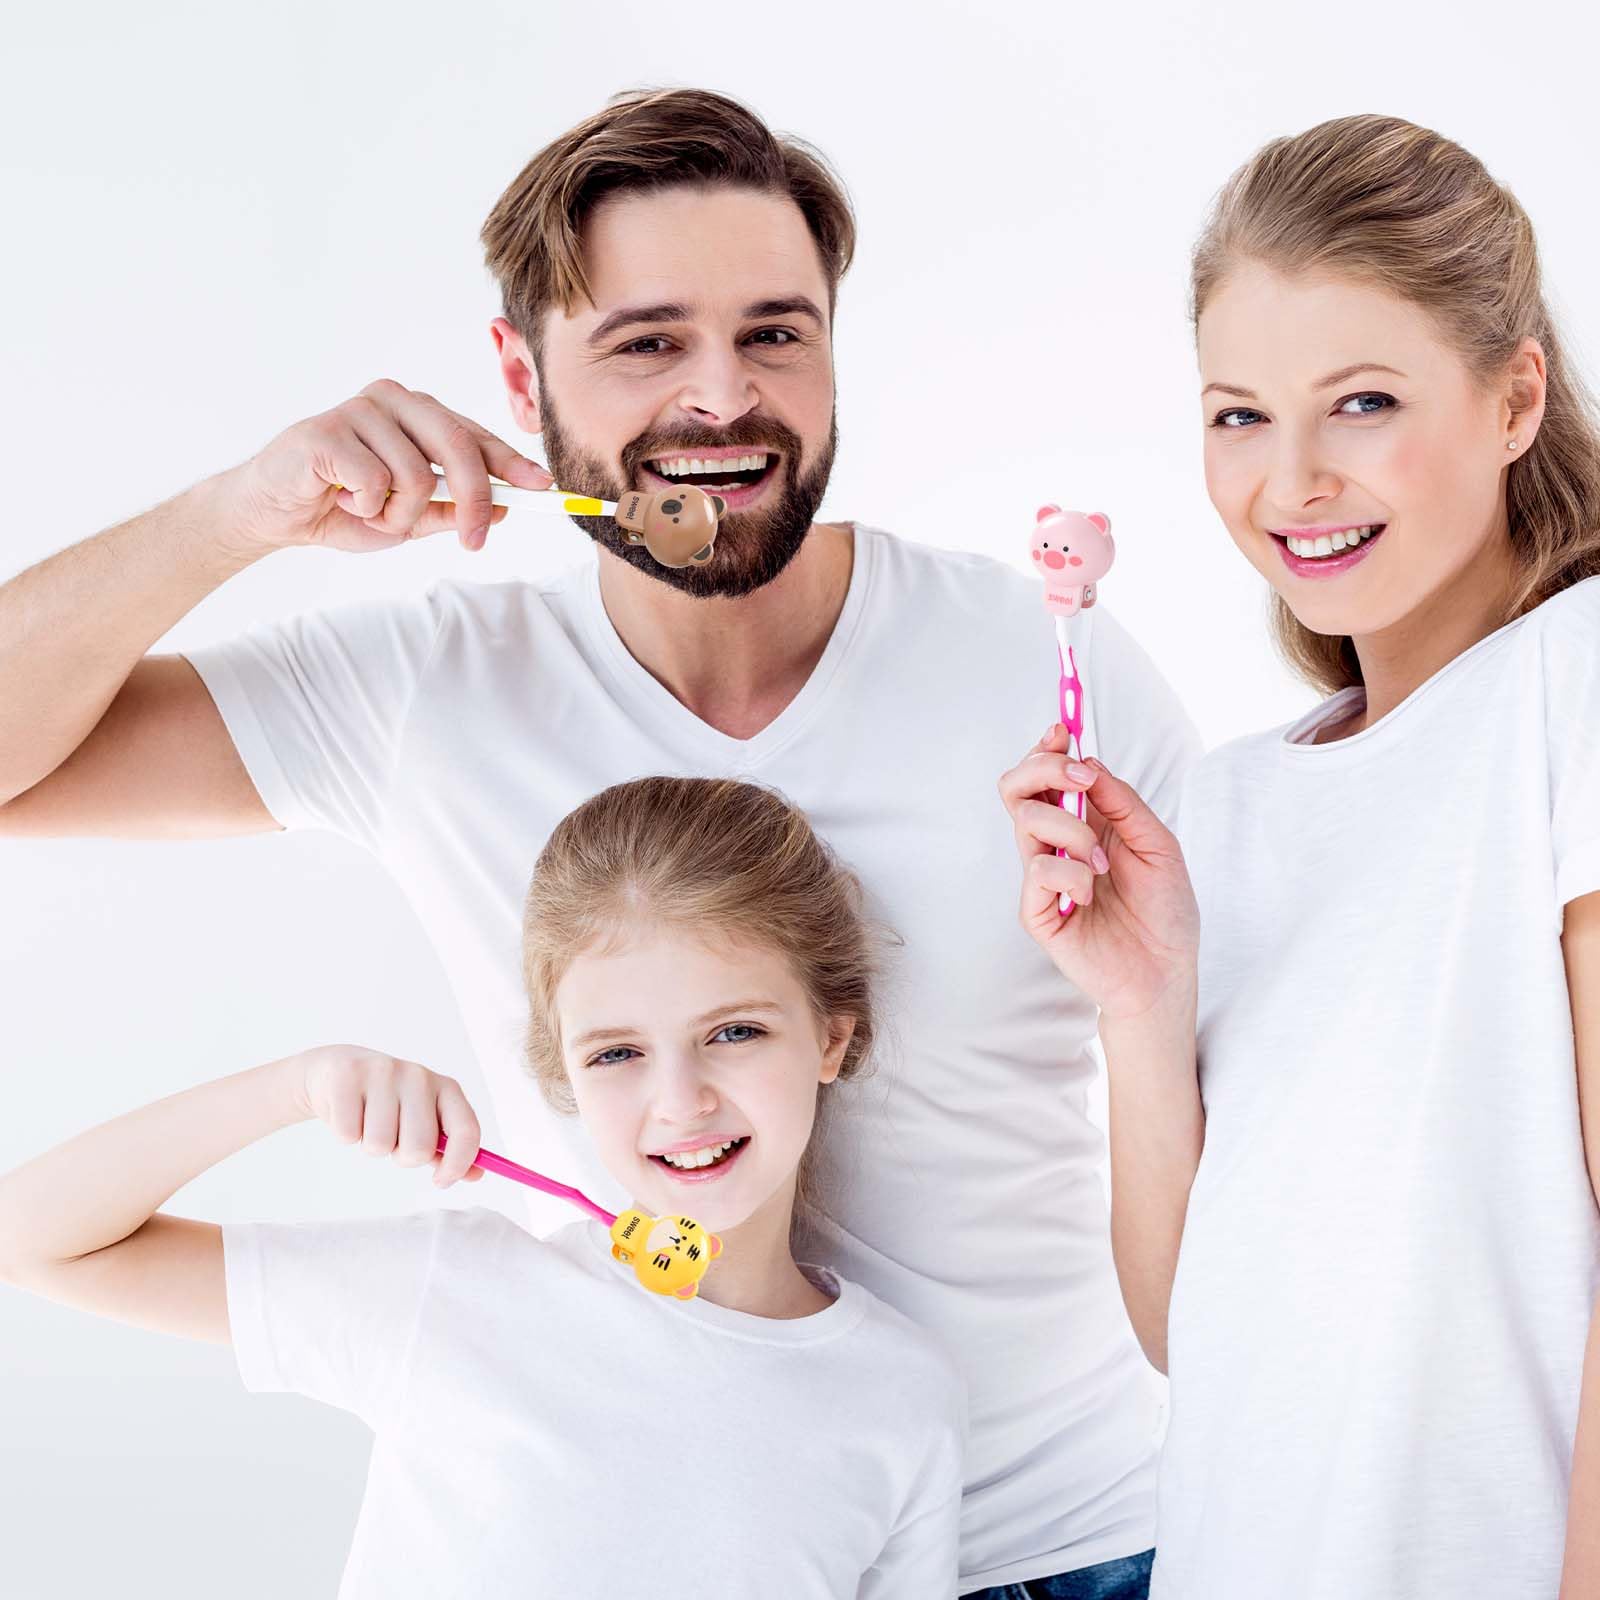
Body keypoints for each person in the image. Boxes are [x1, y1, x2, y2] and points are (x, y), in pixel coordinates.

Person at [0, 87, 1200, 1595]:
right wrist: (236, 515)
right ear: (521, 374)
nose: (722, 398)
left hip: (1088, 1534)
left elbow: (1223, 1102)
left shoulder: (1047, 667)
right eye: (646, 343)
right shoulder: (425, 690)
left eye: (777, 332)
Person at [997, 113, 1600, 1598]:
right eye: (1239, 415)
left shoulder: (1572, 681)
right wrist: (1142, 1001)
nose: (1293, 482)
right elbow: (1187, 1331)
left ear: (1516, 394)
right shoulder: (1223, 806)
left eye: (1365, 403)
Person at [0, 776, 967, 1597]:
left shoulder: (901, 1396)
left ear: (832, 1036)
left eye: (734, 1032)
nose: (681, 1102)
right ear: (564, 1077)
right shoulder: (453, 1292)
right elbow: (34, 1238)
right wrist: (293, 1087)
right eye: (618, 1052)